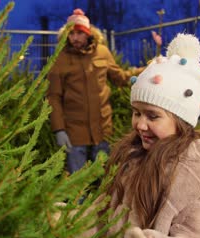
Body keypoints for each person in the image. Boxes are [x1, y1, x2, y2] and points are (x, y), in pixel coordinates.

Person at [80, 33, 200, 238]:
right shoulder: (130, 158)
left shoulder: (197, 174)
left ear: (181, 120)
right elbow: (102, 219)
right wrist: (70, 222)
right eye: (137, 113)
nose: (140, 125)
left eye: (153, 116)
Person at [46, 8, 144, 175]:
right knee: (77, 182)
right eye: (71, 34)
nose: (75, 38)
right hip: (74, 132)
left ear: (88, 33)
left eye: (79, 33)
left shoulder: (102, 52)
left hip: (102, 128)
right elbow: (53, 96)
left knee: (104, 177)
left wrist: (144, 71)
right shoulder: (59, 59)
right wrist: (59, 129)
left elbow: (120, 78)